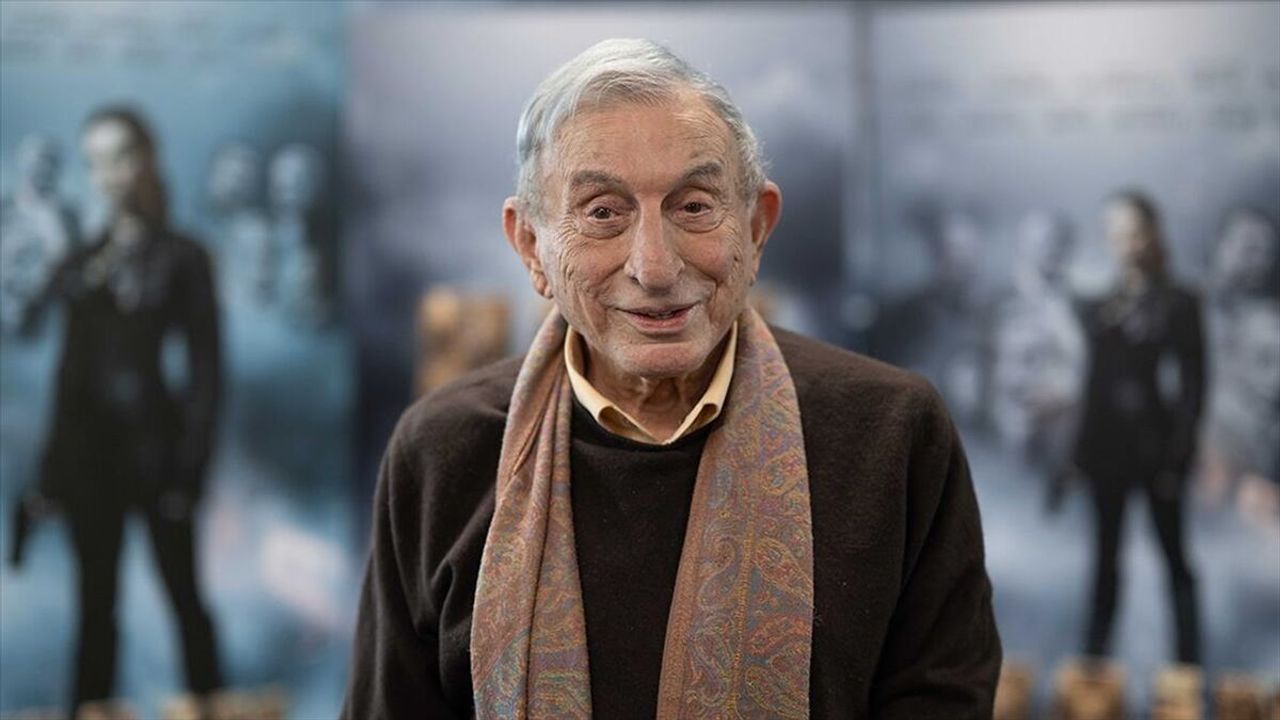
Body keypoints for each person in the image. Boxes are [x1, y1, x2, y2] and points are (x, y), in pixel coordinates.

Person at [341, 39, 1000, 719]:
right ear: (531, 246)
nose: (654, 267)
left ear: (756, 226)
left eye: (693, 206)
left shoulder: (890, 435)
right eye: (603, 212)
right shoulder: (443, 452)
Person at [20, 107, 224, 713]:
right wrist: (50, 473)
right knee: (94, 608)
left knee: (184, 597)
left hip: (159, 453)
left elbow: (207, 373)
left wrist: (191, 468)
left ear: (146, 160)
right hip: (91, 460)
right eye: (96, 162)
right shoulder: (82, 263)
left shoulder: (184, 257)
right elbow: (69, 377)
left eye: (121, 157)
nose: (109, 174)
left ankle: (212, 706)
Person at [1071, 190, 1205, 665]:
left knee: (1174, 557)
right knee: (1105, 559)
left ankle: (1188, 664)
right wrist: (1079, 455)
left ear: (1151, 234)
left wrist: (1179, 456)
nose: (1124, 242)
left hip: (1158, 446)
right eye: (1115, 232)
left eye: (1132, 231)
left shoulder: (1180, 302)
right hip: (1108, 449)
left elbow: (1194, 386)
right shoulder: (1102, 303)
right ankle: (1094, 667)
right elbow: (1094, 383)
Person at [0, 134, 80, 333]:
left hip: (47, 318)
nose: (41, 170)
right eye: (35, 162)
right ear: (23, 164)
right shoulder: (5, 209)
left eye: (49, 162)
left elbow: (68, 258)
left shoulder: (68, 217)